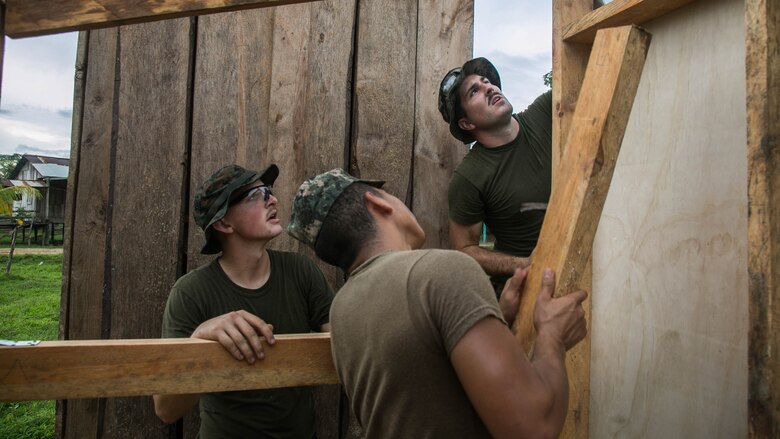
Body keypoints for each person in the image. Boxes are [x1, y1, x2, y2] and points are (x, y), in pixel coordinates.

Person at [287, 168, 587, 438]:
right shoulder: (440, 271)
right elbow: (533, 428)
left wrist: (494, 319)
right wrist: (552, 337)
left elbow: (425, 388)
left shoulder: (342, 310)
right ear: (378, 203)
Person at [153, 164, 334, 439]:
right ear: (224, 223)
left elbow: (345, 349)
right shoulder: (190, 292)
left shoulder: (301, 272)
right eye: (255, 195)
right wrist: (198, 340)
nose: (272, 199)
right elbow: (167, 410)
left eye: (269, 192)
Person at [438, 57, 553, 294]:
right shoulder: (469, 177)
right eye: (474, 92)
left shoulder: (546, 112)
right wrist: (527, 265)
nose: (489, 88)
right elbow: (465, 249)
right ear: (467, 123)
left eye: (487, 81)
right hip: (530, 291)